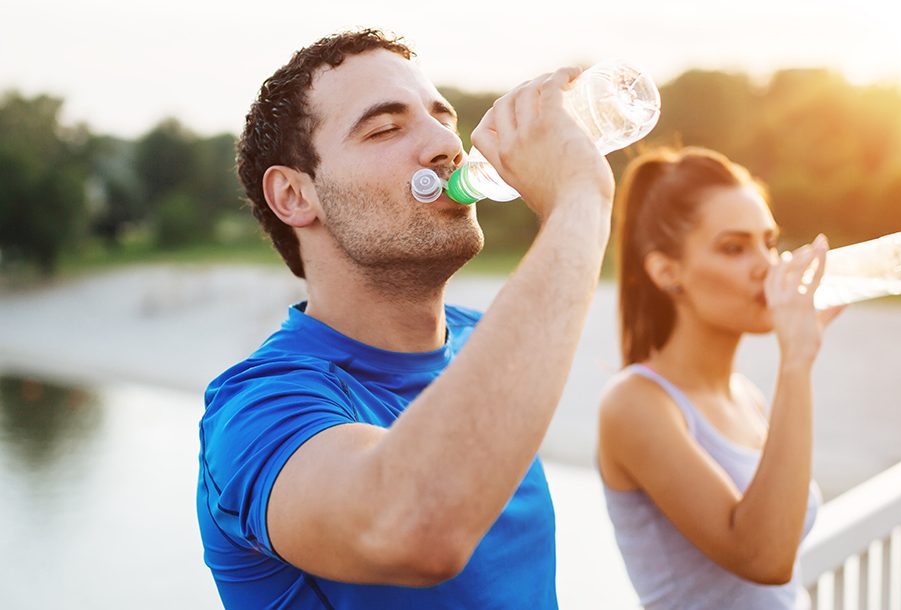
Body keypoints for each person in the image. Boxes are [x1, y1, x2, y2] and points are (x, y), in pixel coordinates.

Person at [196, 29, 615, 608]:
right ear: (294, 196)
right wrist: (579, 200)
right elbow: (415, 527)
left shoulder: (485, 344)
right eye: (386, 128)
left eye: (443, 117)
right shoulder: (255, 412)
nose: (447, 142)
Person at [596, 147, 842, 609]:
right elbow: (764, 558)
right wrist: (796, 363)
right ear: (668, 272)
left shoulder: (744, 397)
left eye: (768, 243)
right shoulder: (635, 403)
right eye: (734, 248)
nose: (767, 266)